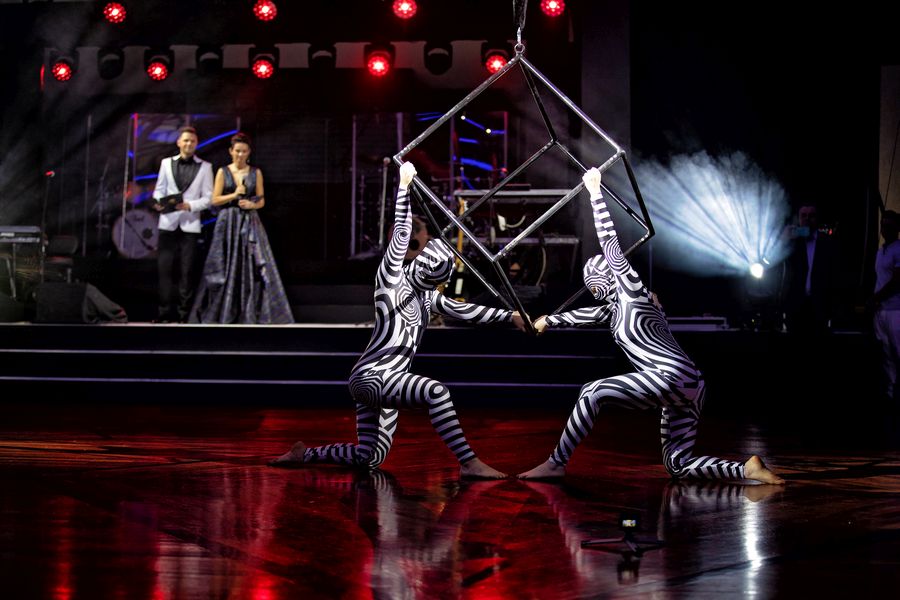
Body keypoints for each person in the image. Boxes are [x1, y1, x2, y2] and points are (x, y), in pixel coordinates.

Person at [519, 168, 784, 484]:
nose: (594, 287)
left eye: (595, 279)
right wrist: (548, 320)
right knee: (677, 465)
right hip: (689, 384)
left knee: (592, 392)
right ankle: (746, 469)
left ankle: (555, 463)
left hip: (671, 378)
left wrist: (595, 193)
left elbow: (610, 245)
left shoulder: (632, 291)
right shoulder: (619, 308)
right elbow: (587, 315)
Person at [271, 162, 525, 478]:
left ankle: (305, 455)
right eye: (431, 277)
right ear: (420, 266)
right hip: (371, 376)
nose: (432, 285)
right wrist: (404, 186)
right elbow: (402, 232)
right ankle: (469, 462)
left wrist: (511, 316)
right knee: (436, 392)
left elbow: (467, 311)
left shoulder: (426, 295)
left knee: (369, 457)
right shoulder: (391, 278)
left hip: (388, 380)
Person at [188, 133, 293, 324]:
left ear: (249, 152)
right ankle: (224, 311)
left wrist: (252, 205)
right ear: (231, 151)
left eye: (244, 151)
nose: (240, 155)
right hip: (228, 222)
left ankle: (251, 311)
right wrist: (234, 195)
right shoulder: (223, 172)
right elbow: (215, 199)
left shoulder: (256, 172)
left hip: (250, 222)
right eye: (237, 151)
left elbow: (261, 199)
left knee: (252, 263)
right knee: (224, 264)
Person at [151, 126, 213, 323]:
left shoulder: (205, 167)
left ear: (196, 143)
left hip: (190, 225)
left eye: (192, 141)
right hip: (168, 223)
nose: (188, 144)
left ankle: (184, 316)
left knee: (187, 272)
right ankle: (163, 314)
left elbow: (209, 198)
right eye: (185, 140)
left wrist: (190, 205)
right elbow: (159, 189)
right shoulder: (166, 163)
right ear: (179, 142)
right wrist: (159, 202)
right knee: (164, 271)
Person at [781, 204, 838, 334]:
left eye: (811, 216)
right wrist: (784, 240)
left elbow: (833, 274)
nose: (807, 219)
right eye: (804, 216)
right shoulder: (793, 241)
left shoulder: (827, 242)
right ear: (799, 219)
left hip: (819, 306)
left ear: (817, 219)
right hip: (795, 305)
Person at [873, 210, 900, 403]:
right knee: (886, 353)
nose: (885, 229)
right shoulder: (880, 251)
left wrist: (876, 297)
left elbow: (897, 281)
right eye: (883, 225)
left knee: (898, 350)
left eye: (889, 225)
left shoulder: (899, 249)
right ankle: (892, 391)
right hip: (881, 310)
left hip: (896, 309)